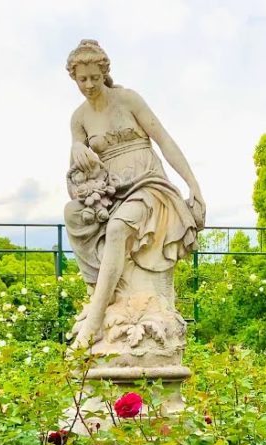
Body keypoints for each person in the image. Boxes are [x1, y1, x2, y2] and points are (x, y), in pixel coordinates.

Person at [63, 39, 206, 350]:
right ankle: (102, 293)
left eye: (94, 78)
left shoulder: (128, 100)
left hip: (148, 184)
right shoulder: (79, 118)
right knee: (72, 213)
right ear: (74, 78)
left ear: (104, 73)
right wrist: (77, 149)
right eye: (81, 79)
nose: (88, 85)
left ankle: (95, 321)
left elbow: (165, 142)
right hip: (110, 191)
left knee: (116, 228)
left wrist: (193, 186)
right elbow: (75, 176)